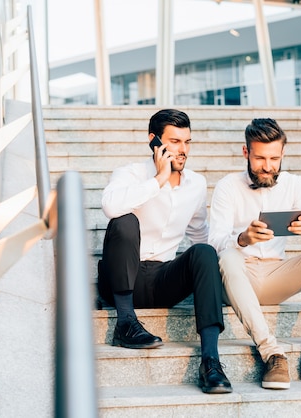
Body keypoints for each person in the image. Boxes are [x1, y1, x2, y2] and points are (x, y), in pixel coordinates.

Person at [208, 117, 301, 390]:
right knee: (228, 256)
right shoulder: (227, 186)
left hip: (277, 275)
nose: (267, 166)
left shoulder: (296, 185)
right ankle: (272, 354)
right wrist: (242, 238)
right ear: (246, 153)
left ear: (283, 154)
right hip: (237, 276)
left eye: (274, 158)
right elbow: (213, 245)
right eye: (260, 158)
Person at [97, 109, 232, 394]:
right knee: (124, 219)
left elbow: (199, 235)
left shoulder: (196, 184)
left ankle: (211, 362)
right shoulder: (130, 173)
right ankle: (125, 323)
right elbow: (110, 206)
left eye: (187, 142)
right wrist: (159, 179)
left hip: (161, 280)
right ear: (153, 141)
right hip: (122, 279)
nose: (182, 150)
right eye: (174, 141)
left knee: (205, 251)